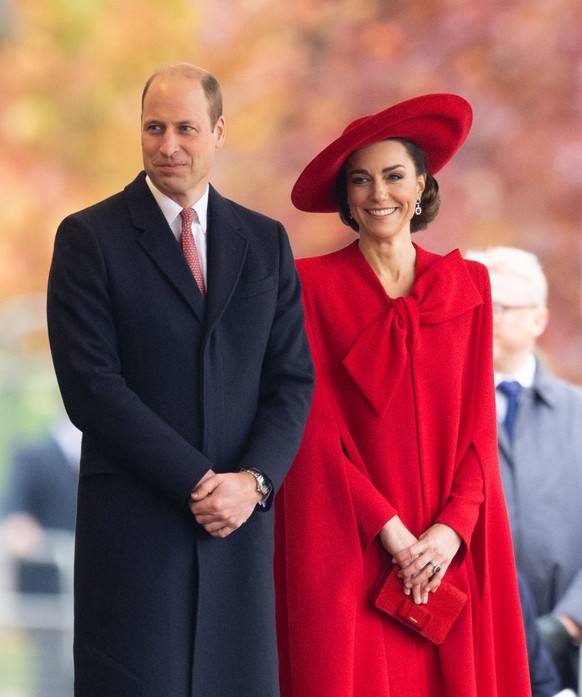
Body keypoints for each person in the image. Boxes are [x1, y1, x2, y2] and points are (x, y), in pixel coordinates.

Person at [46, 62, 314, 697]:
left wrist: (253, 482)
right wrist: (198, 482)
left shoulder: (265, 241)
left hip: (239, 536)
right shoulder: (89, 238)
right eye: (154, 128)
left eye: (186, 128)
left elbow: (292, 380)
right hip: (138, 532)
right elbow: (92, 387)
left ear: (220, 132)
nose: (169, 146)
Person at [274, 94, 531, 696]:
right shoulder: (308, 286)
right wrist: (392, 533)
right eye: (360, 181)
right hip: (355, 545)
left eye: (393, 176)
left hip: (452, 549)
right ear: (346, 198)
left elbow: (478, 427)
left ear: (421, 184)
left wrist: (449, 532)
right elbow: (315, 431)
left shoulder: (469, 284)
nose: (377, 193)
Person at [465, 246, 582, 694]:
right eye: (478, 307)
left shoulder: (576, 413)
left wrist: (567, 623)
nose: (486, 318)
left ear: (538, 320)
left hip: (565, 653)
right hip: (475, 644)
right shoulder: (446, 415)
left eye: (499, 307)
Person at [1, 416, 80, 697]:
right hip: (48, 595)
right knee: (52, 675)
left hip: (89, 591)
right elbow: (14, 515)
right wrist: (21, 530)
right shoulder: (34, 457)